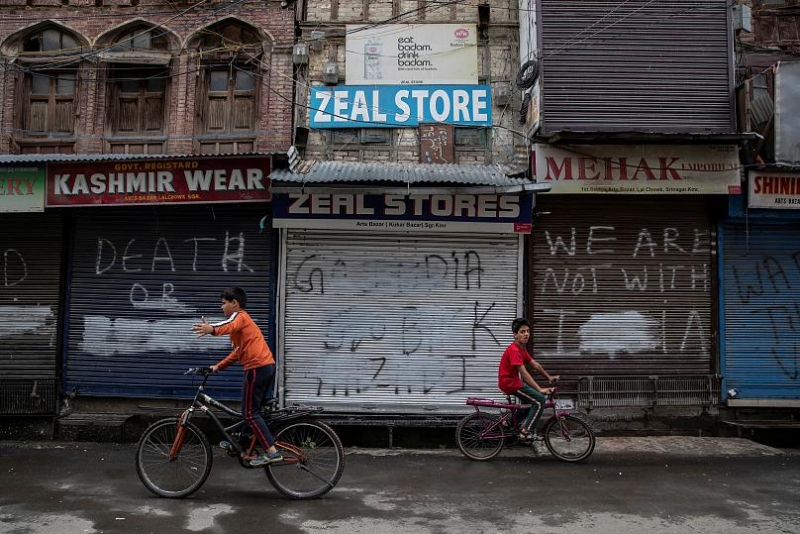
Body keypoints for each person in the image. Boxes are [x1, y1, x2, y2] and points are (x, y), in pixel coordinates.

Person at [191, 287, 282, 467]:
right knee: (249, 412)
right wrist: (217, 367)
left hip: (257, 368)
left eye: (224, 303)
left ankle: (272, 452)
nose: (221, 307)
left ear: (235, 303)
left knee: (250, 413)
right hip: (265, 367)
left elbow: (226, 325)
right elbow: (237, 353)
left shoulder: (240, 316)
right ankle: (242, 446)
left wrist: (211, 329)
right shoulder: (239, 327)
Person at [497, 317, 559, 442]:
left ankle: (508, 423)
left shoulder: (521, 349)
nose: (526, 334)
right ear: (515, 335)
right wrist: (540, 389)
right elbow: (524, 373)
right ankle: (525, 432)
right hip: (510, 384)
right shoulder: (514, 350)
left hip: (512, 382)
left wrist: (549, 377)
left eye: (528, 331)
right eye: (522, 332)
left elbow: (534, 364)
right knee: (539, 400)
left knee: (532, 403)